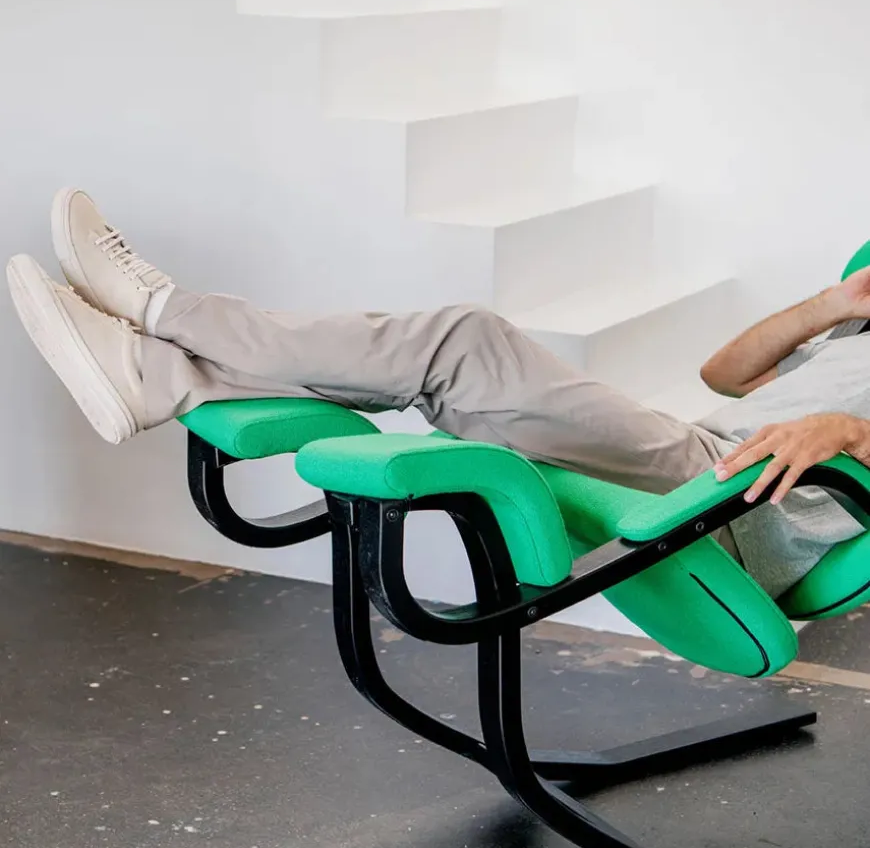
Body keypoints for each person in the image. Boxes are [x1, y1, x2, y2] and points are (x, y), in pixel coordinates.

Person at [8, 189, 870, 598]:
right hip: (700, 449)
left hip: (746, 498)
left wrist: (844, 430)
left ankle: (165, 317)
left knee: (465, 346)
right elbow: (725, 374)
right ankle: (161, 371)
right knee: (455, 377)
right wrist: (838, 304)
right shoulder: (853, 330)